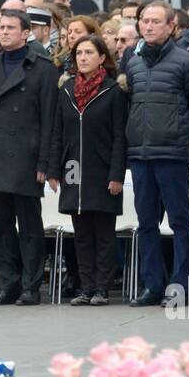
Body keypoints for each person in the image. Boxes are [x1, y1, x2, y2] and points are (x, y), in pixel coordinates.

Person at [0, 9, 57, 305]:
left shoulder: (43, 68)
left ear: (25, 33)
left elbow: (50, 120)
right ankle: (8, 284)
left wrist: (45, 162)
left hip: (27, 156)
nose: (2, 32)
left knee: (30, 226)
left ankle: (31, 286)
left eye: (9, 27)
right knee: (2, 225)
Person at [125, 1, 189, 306]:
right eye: (144, 21)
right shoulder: (132, 60)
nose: (148, 26)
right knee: (146, 223)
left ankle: (180, 285)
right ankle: (152, 285)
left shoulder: (187, 62)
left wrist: (187, 143)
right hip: (140, 154)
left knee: (180, 221)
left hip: (172, 153)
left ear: (172, 26)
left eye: (156, 21)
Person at [48, 34, 126, 306]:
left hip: (102, 169)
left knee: (103, 232)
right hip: (73, 168)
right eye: (79, 53)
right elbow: (57, 132)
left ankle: (102, 288)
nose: (82, 57)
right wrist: (53, 169)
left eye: (89, 52)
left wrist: (117, 174)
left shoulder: (113, 91)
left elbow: (119, 136)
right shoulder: (67, 89)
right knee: (81, 234)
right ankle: (86, 286)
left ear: (102, 57)